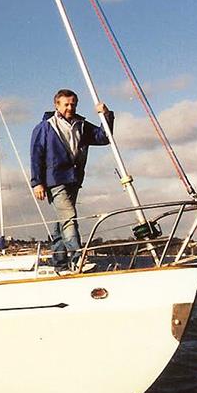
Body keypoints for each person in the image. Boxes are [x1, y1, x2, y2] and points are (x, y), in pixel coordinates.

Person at [30, 89, 114, 271]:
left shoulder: (81, 124)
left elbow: (103, 137)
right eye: (66, 104)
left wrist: (106, 116)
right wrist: (37, 182)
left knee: (62, 222)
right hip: (54, 180)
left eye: (73, 104)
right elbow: (36, 155)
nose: (70, 108)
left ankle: (60, 264)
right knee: (69, 218)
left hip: (74, 178)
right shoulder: (44, 127)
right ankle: (78, 259)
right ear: (57, 105)